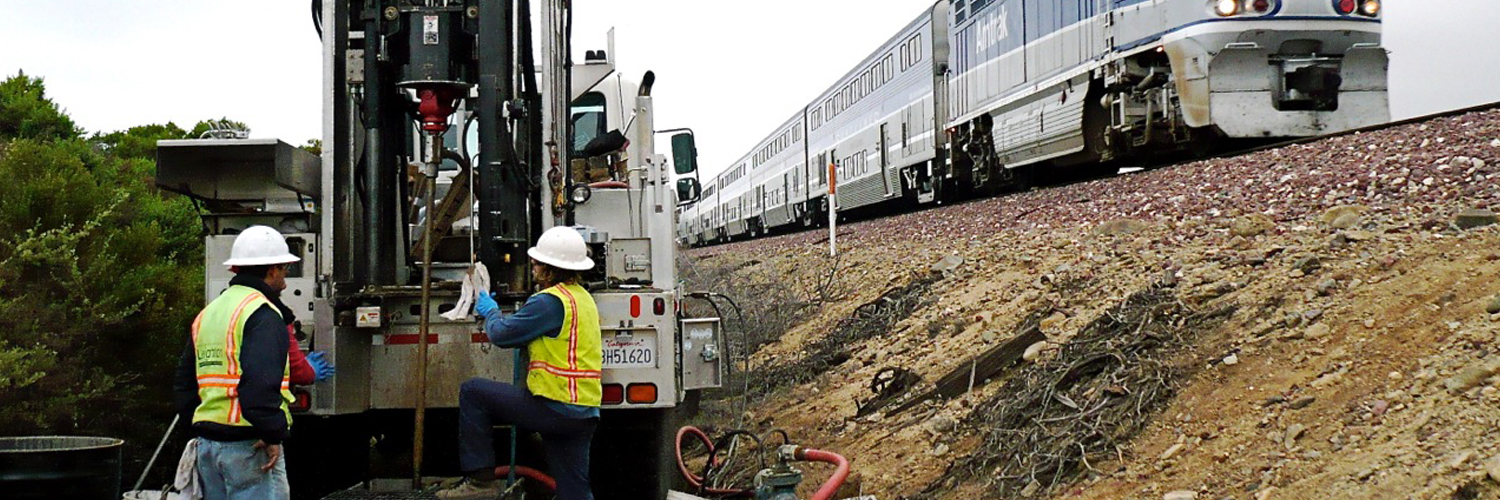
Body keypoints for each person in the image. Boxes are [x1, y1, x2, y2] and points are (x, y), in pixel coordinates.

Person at [439, 226, 602, 500]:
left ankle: (480, 483)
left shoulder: (549, 303)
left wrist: (490, 311)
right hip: (584, 413)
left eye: (537, 263)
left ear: (550, 268)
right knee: (575, 492)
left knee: (473, 391)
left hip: (554, 407)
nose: (533, 267)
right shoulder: (582, 299)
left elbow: (501, 335)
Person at [173, 226, 303, 500]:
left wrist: (200, 429)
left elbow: (185, 384)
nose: (286, 280)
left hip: (208, 446)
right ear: (272, 270)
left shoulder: (209, 312)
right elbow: (260, 384)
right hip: (249, 445)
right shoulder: (263, 314)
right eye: (284, 270)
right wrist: (272, 434)